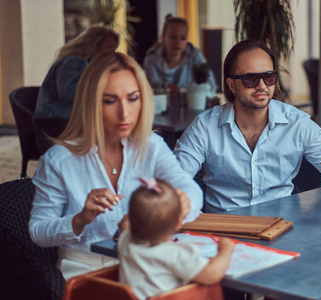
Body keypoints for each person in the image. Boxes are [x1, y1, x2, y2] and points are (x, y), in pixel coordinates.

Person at [29, 52, 203, 280]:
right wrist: (80, 218)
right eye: (110, 101)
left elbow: (191, 190)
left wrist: (180, 204)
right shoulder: (59, 160)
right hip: (87, 269)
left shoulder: (151, 146)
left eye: (133, 98)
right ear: (90, 103)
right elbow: (38, 231)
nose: (124, 112)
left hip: (145, 263)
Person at [174, 40, 321, 213]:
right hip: (226, 231)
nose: (262, 86)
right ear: (232, 85)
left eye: (268, 77)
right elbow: (174, 179)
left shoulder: (296, 123)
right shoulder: (205, 126)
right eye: (250, 79)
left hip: (281, 228)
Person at [119, 178, 235, 299]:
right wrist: (226, 249)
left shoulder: (126, 240)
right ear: (179, 223)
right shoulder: (177, 254)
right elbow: (212, 274)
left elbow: (126, 225)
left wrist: (130, 218)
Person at [35, 25, 119, 119]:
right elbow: (69, 93)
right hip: (57, 118)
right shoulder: (74, 61)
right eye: (109, 47)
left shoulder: (86, 63)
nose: (112, 53)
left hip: (67, 116)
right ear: (94, 44)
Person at [143, 14, 217, 100]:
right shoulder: (151, 60)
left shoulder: (195, 56)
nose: (178, 42)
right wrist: (166, 89)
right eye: (173, 37)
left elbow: (212, 87)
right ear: (163, 38)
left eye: (183, 38)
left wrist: (194, 92)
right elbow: (150, 90)